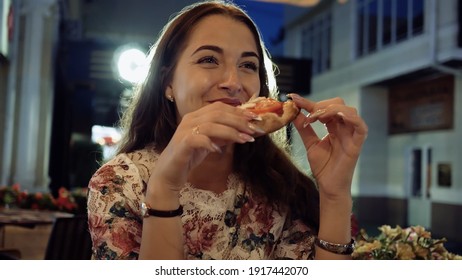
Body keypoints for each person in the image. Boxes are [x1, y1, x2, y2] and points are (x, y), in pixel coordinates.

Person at [87, 0, 368, 260]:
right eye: (209, 59)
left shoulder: (283, 185)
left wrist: (335, 195)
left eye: (248, 65)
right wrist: (164, 189)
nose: (233, 82)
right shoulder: (119, 183)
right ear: (167, 83)